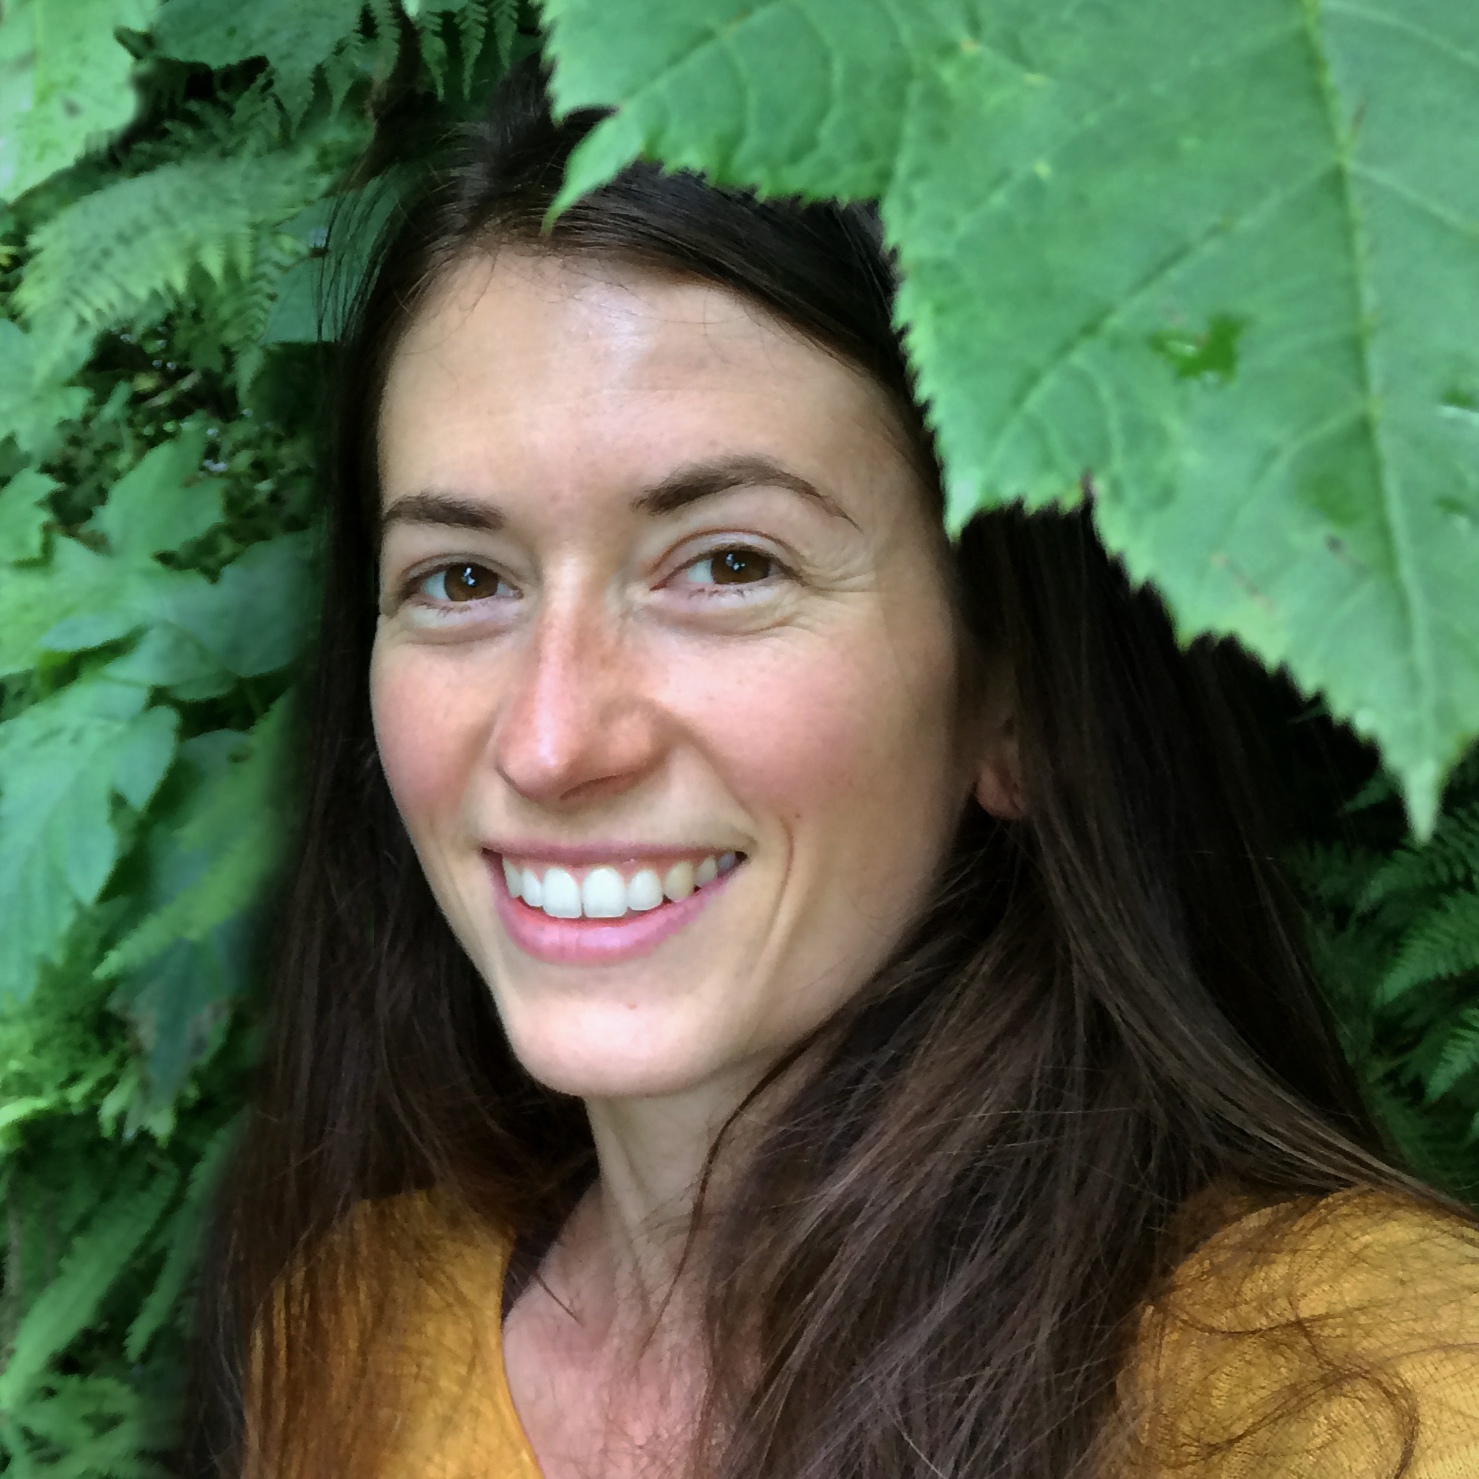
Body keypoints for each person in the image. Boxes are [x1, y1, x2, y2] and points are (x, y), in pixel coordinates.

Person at [190, 60, 1479, 1479]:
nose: (549, 741)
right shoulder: (341, 1331)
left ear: (1018, 693)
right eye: (460, 579)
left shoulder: (1375, 1396)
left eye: (730, 563)